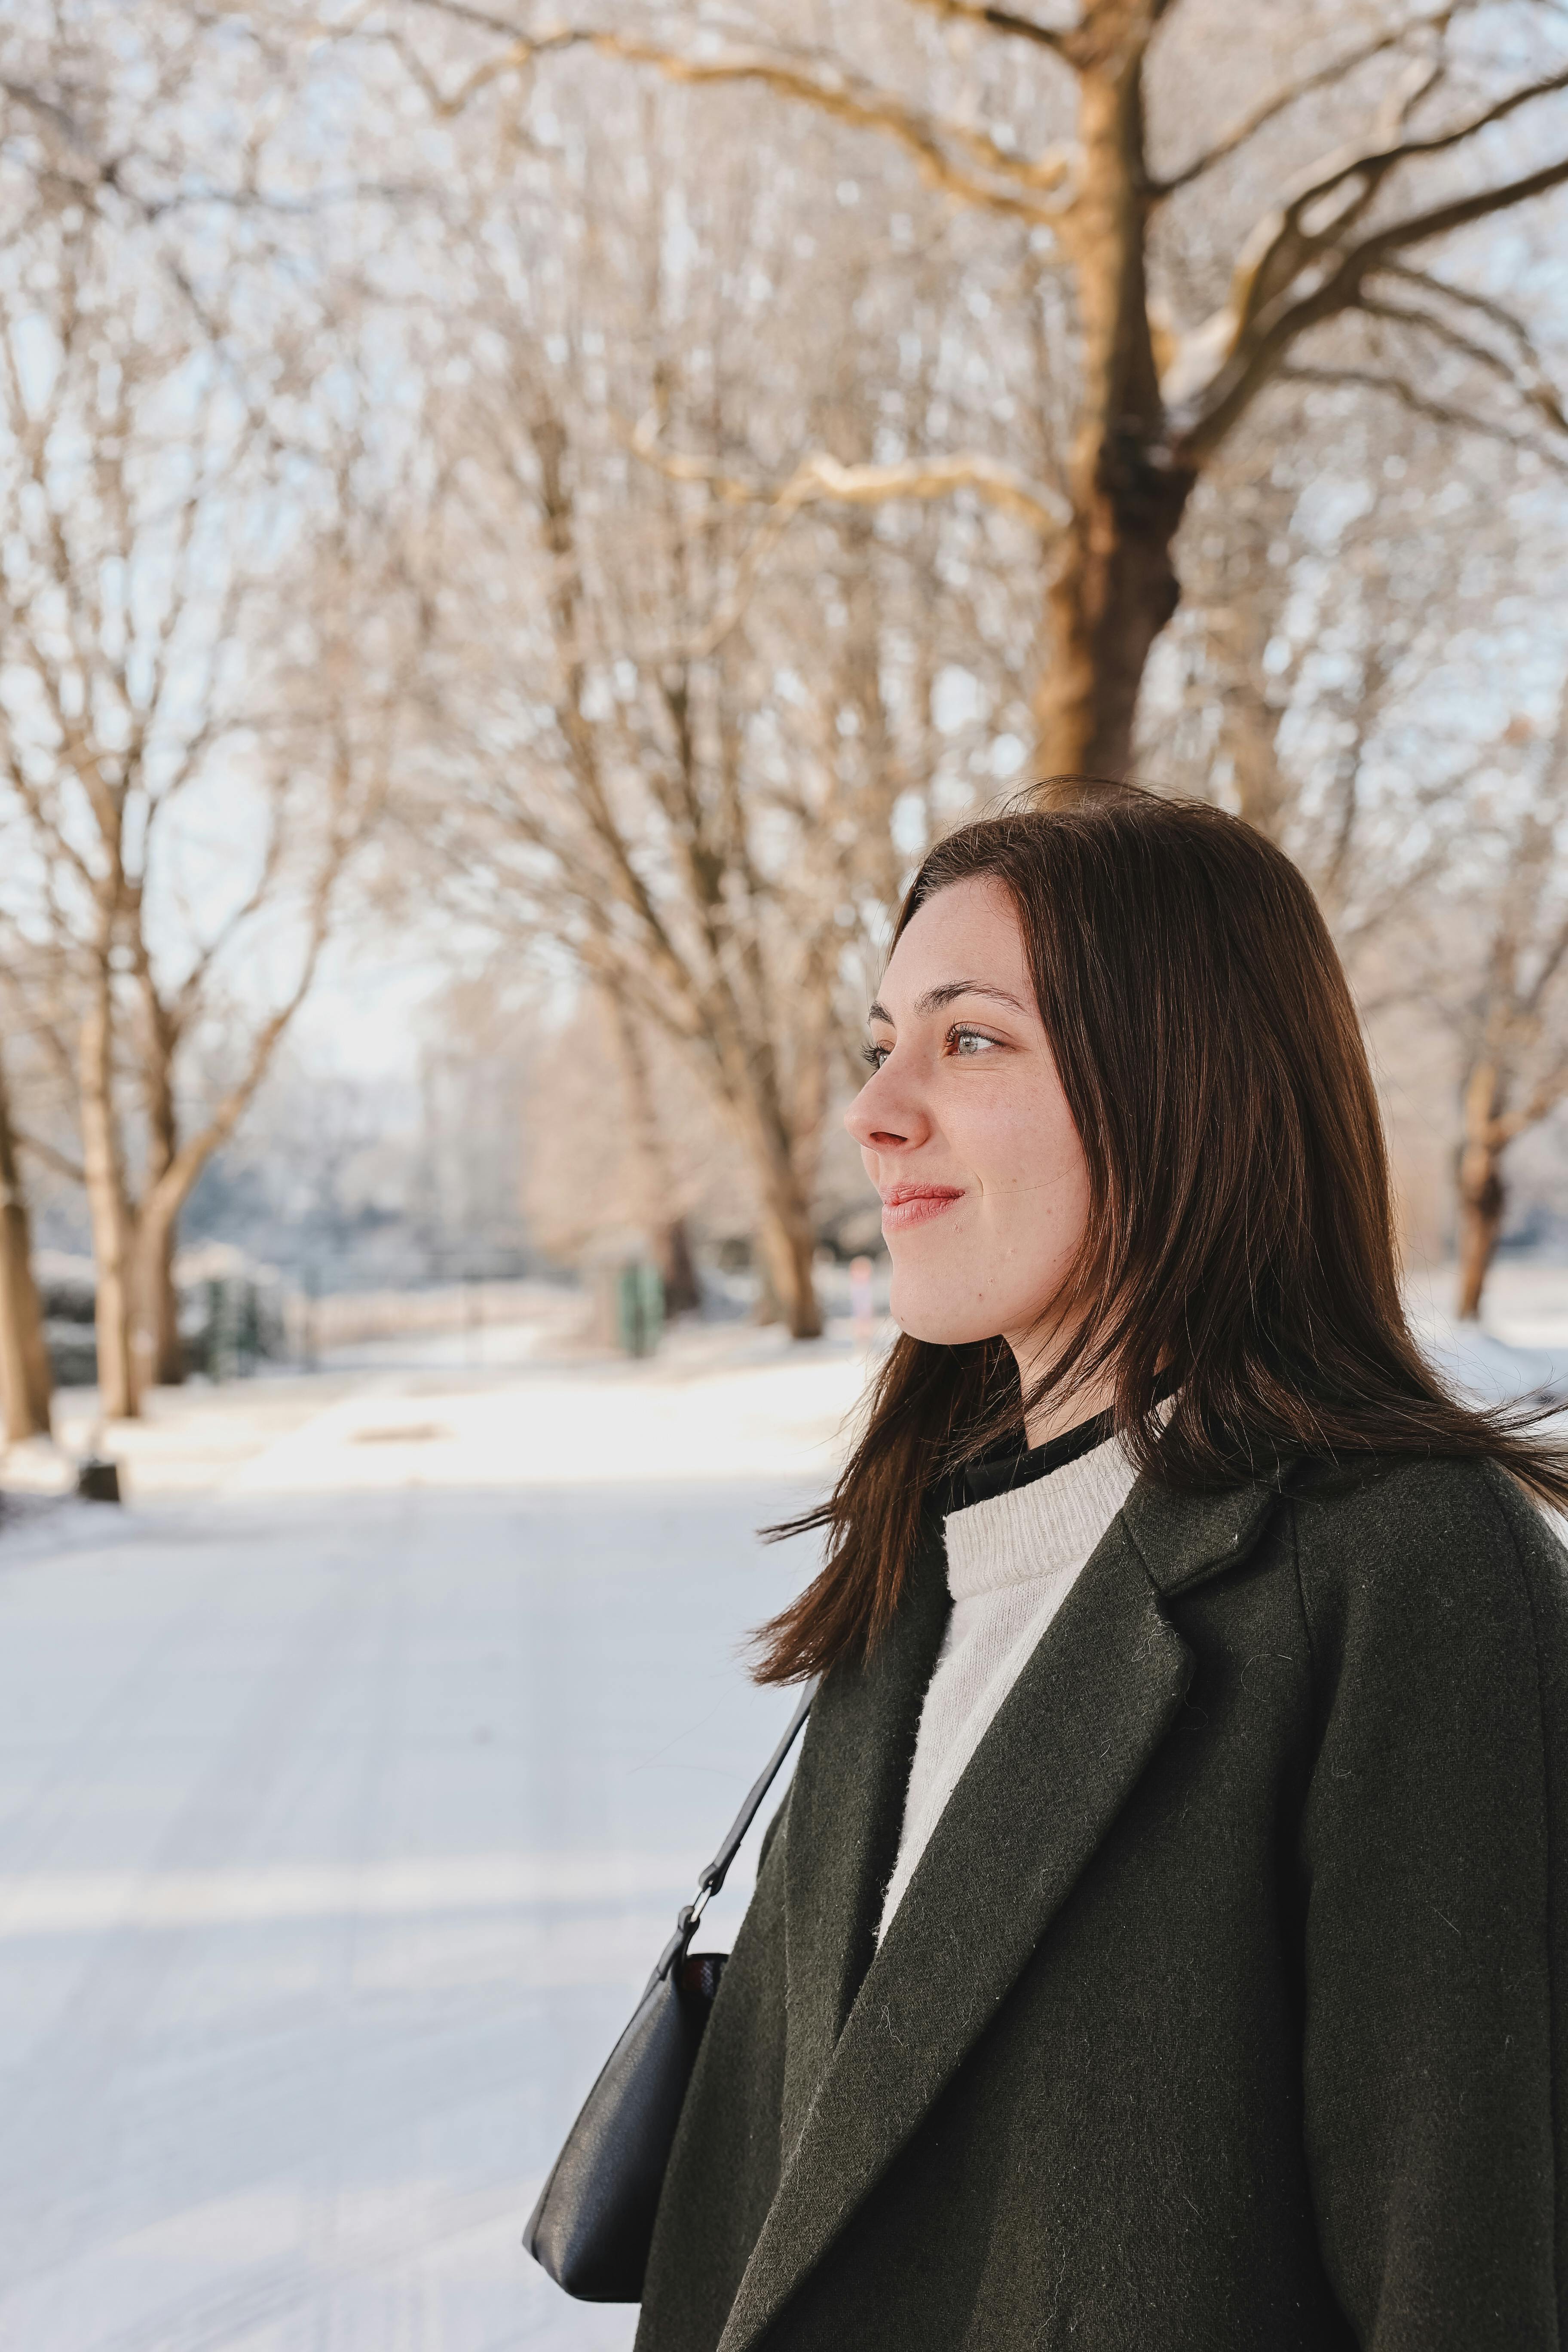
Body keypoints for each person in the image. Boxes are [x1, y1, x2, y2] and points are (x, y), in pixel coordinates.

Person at [634, 781, 1568, 2352]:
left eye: (971, 1039)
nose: (875, 1111)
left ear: (1182, 1085)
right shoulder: (924, 1550)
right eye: (882, 1043)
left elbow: (1469, 2269)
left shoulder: (1400, 1569)